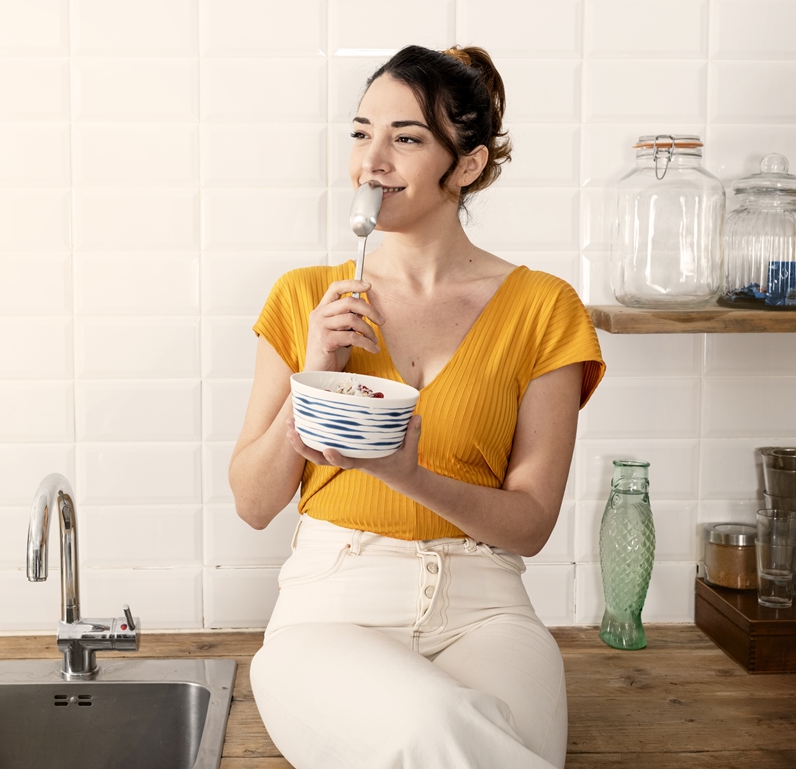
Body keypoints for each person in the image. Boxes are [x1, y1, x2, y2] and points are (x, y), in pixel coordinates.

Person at [228, 44, 605, 769]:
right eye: (362, 132)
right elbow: (252, 501)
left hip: (486, 609)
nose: (372, 162)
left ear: (466, 166)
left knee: (474, 737)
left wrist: (408, 474)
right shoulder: (305, 298)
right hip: (333, 606)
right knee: (433, 727)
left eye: (405, 139)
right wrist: (315, 374)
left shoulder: (544, 308)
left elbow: (529, 525)